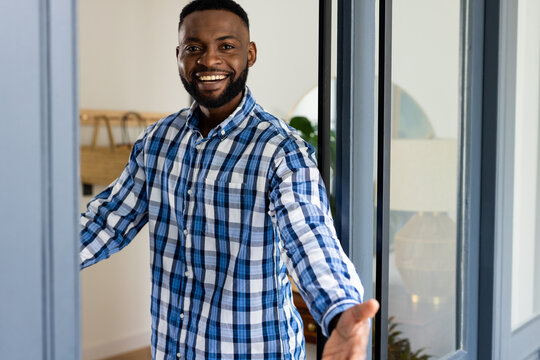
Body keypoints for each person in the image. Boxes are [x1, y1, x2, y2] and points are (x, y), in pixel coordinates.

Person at [80, 0, 379, 359]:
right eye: (194, 48)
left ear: (249, 54)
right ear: (179, 55)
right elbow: (107, 222)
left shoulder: (281, 151)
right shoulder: (157, 141)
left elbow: (309, 238)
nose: (209, 60)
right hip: (172, 349)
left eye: (226, 46)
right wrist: (30, 261)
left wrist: (340, 311)